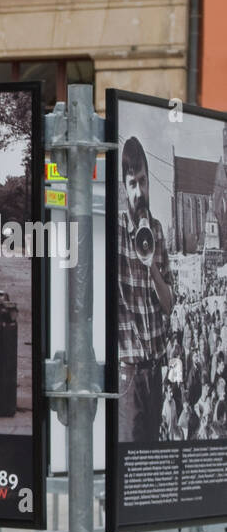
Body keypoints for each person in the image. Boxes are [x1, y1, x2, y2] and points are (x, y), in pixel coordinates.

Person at [116, 135, 174, 443]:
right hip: (129, 374)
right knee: (129, 464)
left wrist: (150, 264)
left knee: (151, 459)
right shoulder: (117, 233)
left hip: (156, 370)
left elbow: (168, 304)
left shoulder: (160, 231)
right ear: (124, 188)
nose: (139, 191)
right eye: (132, 184)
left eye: (143, 181)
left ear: (149, 180)